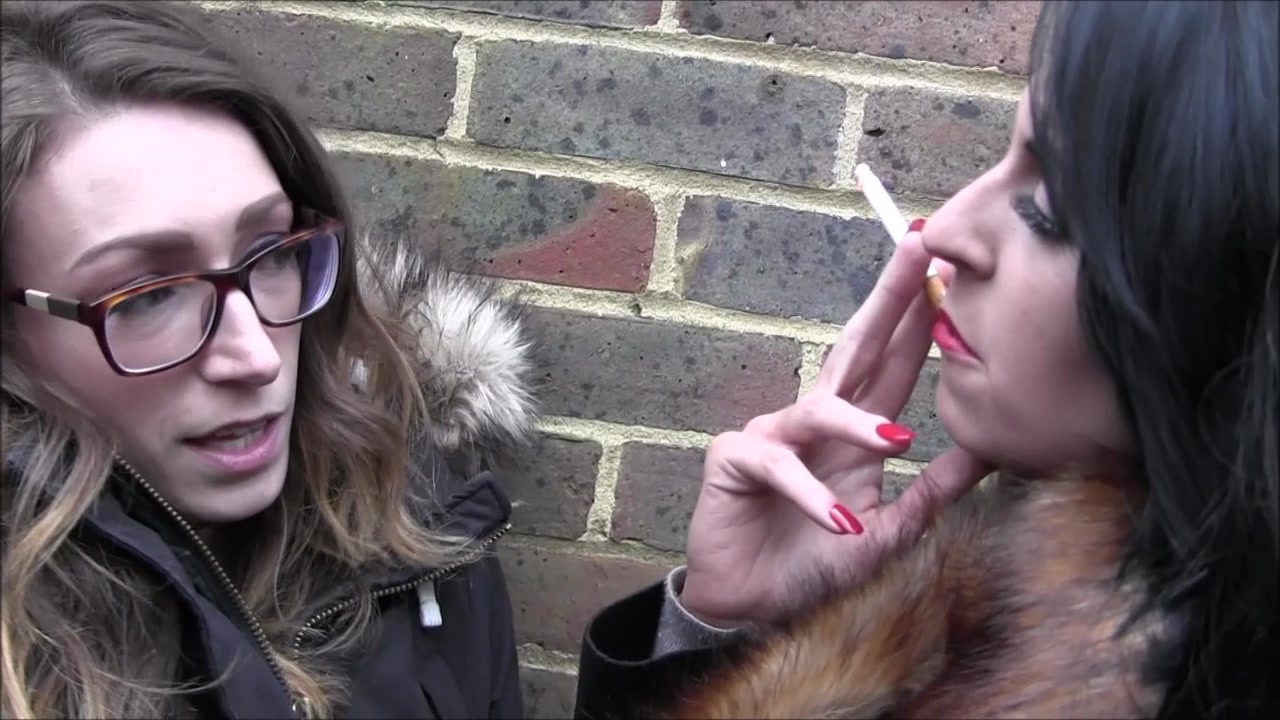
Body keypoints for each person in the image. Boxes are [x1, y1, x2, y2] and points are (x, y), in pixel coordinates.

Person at [575, 1, 1278, 719]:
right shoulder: (975, 621)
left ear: (1232, 287)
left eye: (1048, 207)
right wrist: (748, 634)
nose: (943, 230)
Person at [0, 1, 546, 717]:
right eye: (147, 296)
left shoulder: (416, 509)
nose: (255, 356)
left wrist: (688, 637)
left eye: (271, 254)